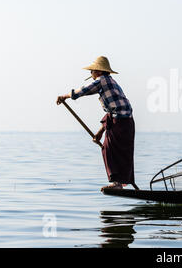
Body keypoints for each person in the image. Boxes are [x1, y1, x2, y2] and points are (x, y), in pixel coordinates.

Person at [56, 56, 139, 191]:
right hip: (125, 121)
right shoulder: (111, 81)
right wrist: (100, 132)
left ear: (98, 72)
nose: (91, 74)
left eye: (92, 71)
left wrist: (64, 96)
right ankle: (121, 182)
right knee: (120, 152)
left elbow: (81, 91)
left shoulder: (102, 80)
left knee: (108, 149)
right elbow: (111, 112)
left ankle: (117, 183)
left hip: (122, 122)